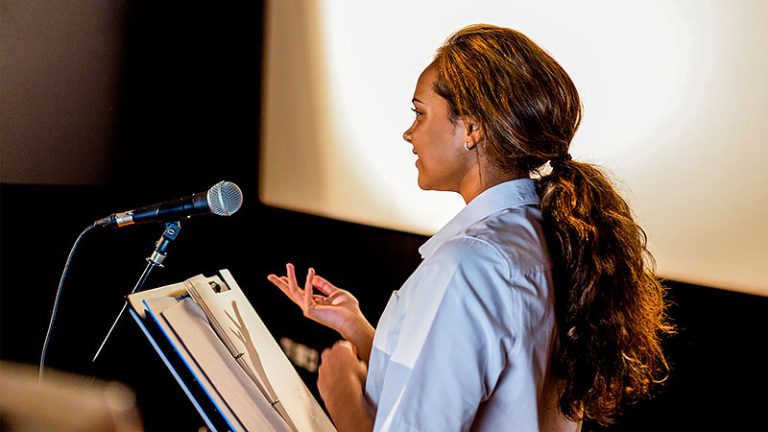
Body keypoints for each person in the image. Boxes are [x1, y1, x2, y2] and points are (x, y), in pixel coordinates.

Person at [267, 24, 673, 432]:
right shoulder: (539, 237)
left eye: (419, 113)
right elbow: (477, 388)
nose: (409, 134)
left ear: (472, 129)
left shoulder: (469, 263)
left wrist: (340, 392)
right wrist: (360, 331)